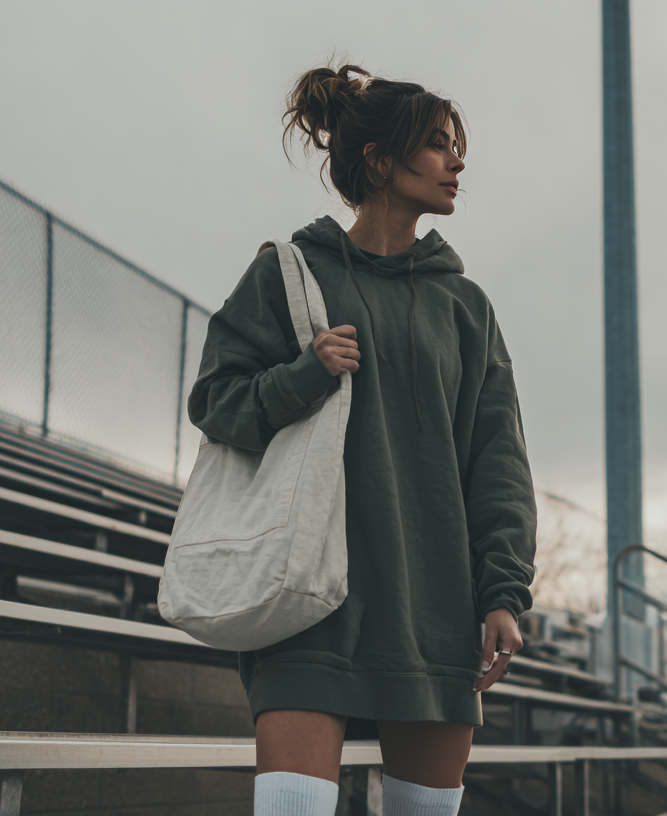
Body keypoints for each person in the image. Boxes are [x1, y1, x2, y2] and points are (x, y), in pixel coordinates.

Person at [187, 63, 537, 816]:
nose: (458, 163)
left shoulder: (465, 307)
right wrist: (301, 377)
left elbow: (497, 461)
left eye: (456, 147)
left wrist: (504, 592)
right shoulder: (290, 274)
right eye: (439, 145)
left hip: (434, 610)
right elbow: (215, 403)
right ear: (380, 160)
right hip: (309, 604)